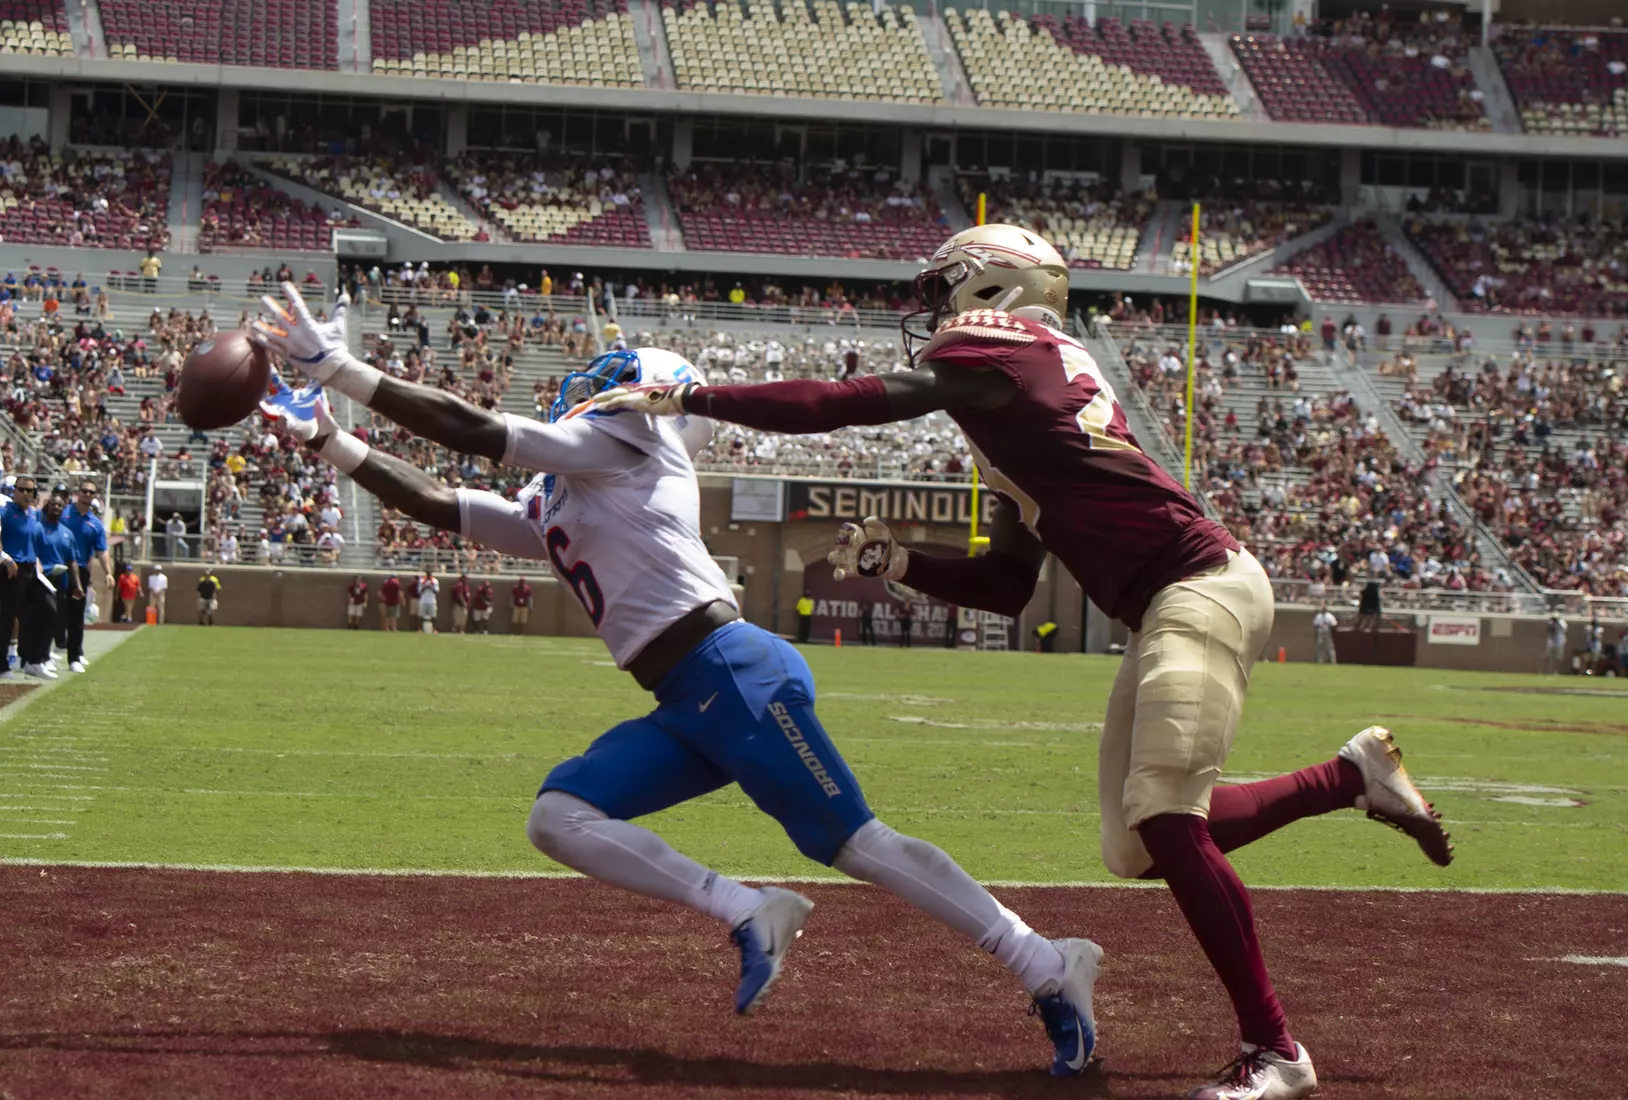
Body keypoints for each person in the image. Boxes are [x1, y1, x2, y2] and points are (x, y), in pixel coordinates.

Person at [596, 223, 1456, 1099]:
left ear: (992, 288)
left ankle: (1276, 1050)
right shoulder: (1013, 398)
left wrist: (693, 399)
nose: (931, 311)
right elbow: (1010, 586)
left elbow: (855, 400)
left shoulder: (1002, 349)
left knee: (1166, 814)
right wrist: (902, 563)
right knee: (1137, 844)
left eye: (944, 289)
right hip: (1171, 598)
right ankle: (1349, 779)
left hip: (1199, 582)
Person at [253, 300, 1102, 1074]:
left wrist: (339, 370)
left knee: (854, 843)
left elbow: (478, 431)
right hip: (685, 698)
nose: (593, 385)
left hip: (732, 672)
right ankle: (748, 909)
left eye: (617, 378)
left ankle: (1044, 959)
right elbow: (445, 502)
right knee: (559, 816)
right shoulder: (567, 490)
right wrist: (332, 440)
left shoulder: (628, 445)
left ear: (653, 398)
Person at [62, 480, 111, 672]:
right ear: (78, 493)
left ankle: (74, 656)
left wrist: (108, 573)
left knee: (76, 616)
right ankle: (39, 655)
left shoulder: (95, 524)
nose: (87, 495)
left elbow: (102, 550)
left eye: (91, 492)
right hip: (58, 567)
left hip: (80, 571)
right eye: (84, 491)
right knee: (51, 612)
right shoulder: (63, 513)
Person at [31, 488, 77, 679]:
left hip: (61, 581)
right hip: (41, 579)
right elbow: (31, 551)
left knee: (54, 620)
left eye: (60, 505)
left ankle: (42, 656)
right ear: (47, 506)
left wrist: (78, 585)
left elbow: (72, 560)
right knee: (40, 619)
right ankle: (35, 659)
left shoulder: (67, 533)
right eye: (53, 504)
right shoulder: (38, 528)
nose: (56, 507)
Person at [0, 476, 42, 677]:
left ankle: (30, 660)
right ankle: (2, 665)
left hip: (31, 569)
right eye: (22, 489)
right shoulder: (5, 512)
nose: (26, 494)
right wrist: (6, 559)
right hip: (11, 569)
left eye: (30, 490)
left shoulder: (34, 515)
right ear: (14, 491)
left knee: (37, 613)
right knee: (6, 618)